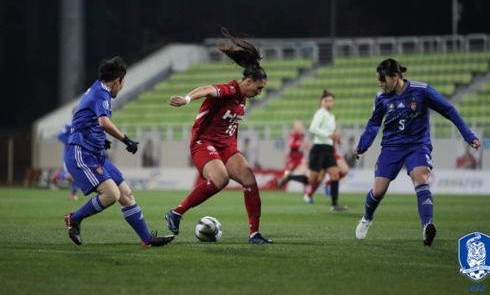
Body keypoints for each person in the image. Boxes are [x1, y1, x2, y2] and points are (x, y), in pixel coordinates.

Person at [354, 58, 481, 246]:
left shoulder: (421, 90)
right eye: (378, 80)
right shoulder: (381, 97)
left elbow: (449, 110)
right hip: (391, 147)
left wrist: (468, 135)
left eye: (383, 79)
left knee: (421, 179)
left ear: (396, 77)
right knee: (378, 190)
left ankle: (427, 227)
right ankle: (366, 218)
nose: (381, 84)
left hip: (417, 145)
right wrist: (363, 144)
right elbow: (374, 123)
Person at [164, 28, 272, 244]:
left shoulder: (243, 98)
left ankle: (254, 234)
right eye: (259, 88)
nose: (259, 92)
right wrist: (186, 99)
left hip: (226, 147)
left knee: (249, 177)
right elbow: (206, 89)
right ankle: (176, 212)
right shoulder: (230, 90)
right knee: (221, 178)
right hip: (204, 143)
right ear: (248, 82)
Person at [64, 56, 174, 248]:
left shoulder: (97, 88)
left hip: (95, 152)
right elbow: (103, 122)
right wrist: (126, 140)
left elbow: (85, 117)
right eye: (122, 84)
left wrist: (100, 139)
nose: (122, 88)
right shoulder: (101, 93)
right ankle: (74, 219)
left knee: (126, 195)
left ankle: (147, 239)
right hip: (82, 153)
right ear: (117, 81)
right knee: (111, 195)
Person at [302, 90, 347, 211]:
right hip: (319, 147)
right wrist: (328, 134)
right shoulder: (320, 113)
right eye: (326, 100)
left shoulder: (331, 116)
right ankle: (303, 188)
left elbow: (329, 133)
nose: (329, 103)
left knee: (334, 174)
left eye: (331, 101)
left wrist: (335, 136)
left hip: (328, 148)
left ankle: (335, 203)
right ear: (322, 102)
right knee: (314, 177)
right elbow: (313, 128)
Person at [53, 107, 80, 200]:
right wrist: (71, 141)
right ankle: (58, 175)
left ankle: (73, 194)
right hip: (68, 155)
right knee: (70, 176)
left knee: (77, 175)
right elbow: (60, 135)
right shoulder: (69, 125)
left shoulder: (81, 125)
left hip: (79, 154)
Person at [276, 119, 309, 189]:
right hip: (292, 157)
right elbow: (291, 144)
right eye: (298, 125)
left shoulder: (302, 135)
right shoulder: (293, 135)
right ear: (295, 126)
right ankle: (281, 181)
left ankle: (306, 191)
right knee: (287, 173)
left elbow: (304, 144)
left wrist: (306, 146)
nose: (300, 127)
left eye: (301, 125)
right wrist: (300, 144)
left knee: (304, 173)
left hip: (300, 156)